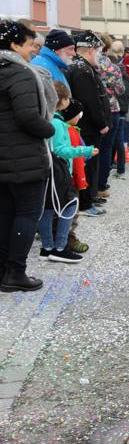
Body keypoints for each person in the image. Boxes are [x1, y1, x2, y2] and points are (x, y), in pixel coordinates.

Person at [0, 20, 55, 292]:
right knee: (26, 214)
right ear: (13, 44)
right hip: (24, 157)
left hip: (5, 158)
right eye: (29, 45)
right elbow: (27, 116)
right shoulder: (20, 73)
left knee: (5, 214)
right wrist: (50, 127)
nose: (33, 51)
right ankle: (16, 272)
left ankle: (3, 271)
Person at [38, 83, 95, 263]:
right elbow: (61, 150)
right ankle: (60, 247)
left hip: (46, 170)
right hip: (59, 172)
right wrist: (85, 151)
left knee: (47, 209)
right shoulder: (58, 122)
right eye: (67, 99)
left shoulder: (44, 118)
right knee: (69, 205)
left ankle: (47, 247)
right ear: (61, 100)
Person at [65, 31, 112, 217]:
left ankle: (89, 197)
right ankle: (85, 203)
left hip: (89, 126)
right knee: (87, 165)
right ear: (91, 50)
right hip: (88, 127)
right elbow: (90, 101)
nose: (100, 55)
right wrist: (102, 123)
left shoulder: (83, 67)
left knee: (91, 164)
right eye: (99, 51)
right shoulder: (81, 70)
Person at [95, 35, 125, 199]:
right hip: (111, 109)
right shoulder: (112, 68)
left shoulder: (88, 65)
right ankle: (101, 184)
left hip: (90, 110)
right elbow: (120, 90)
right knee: (106, 149)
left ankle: (90, 184)